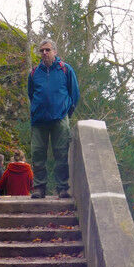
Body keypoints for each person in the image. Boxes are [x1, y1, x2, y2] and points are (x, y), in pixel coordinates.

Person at [27, 39, 79, 199]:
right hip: (39, 120)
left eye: (47, 50)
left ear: (55, 52)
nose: (44, 53)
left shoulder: (65, 69)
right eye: (42, 50)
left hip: (59, 119)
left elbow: (74, 94)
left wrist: (66, 112)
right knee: (37, 154)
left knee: (61, 154)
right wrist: (37, 109)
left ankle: (62, 188)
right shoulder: (34, 72)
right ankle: (39, 188)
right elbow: (31, 93)